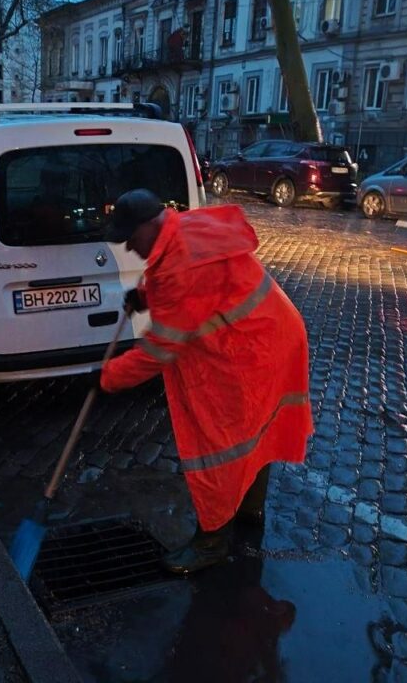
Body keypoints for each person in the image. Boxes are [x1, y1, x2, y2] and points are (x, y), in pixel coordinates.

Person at [100, 189, 313, 574]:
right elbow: (193, 281)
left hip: (254, 349)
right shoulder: (182, 227)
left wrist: (107, 377)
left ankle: (211, 543)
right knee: (252, 434)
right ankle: (248, 511)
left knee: (222, 445)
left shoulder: (180, 264)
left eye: (130, 237)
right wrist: (145, 295)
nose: (129, 247)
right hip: (273, 332)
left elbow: (160, 350)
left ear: (150, 224)